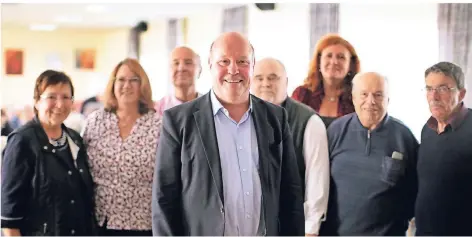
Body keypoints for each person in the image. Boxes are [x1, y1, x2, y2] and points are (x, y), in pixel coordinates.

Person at [152, 32, 304, 236]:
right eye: (224, 61)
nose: (233, 69)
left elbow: (291, 194)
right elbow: (164, 200)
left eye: (242, 61)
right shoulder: (179, 121)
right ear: (210, 65)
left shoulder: (275, 118)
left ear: (252, 66)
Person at [320, 72, 418, 235]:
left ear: (388, 100)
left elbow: (415, 191)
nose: (370, 101)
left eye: (378, 95)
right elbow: (319, 182)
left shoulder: (404, 136)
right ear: (354, 98)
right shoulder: (335, 131)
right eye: (364, 94)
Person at [1, 70, 96, 236]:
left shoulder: (75, 140)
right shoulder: (22, 141)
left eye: (66, 97)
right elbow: (9, 217)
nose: (59, 104)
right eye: (51, 97)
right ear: (37, 102)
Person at [251, 57, 329, 236]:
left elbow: (317, 182)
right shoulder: (239, 118)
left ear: (286, 82)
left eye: (273, 78)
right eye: (259, 78)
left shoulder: (309, 121)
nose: (266, 83)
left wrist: (310, 229)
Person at [82, 58, 161, 236]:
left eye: (134, 80)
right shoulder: (95, 121)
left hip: (143, 224)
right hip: (98, 222)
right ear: (113, 84)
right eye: (121, 80)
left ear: (143, 85)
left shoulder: (158, 125)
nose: (127, 85)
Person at [415, 62, 472, 236]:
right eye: (429, 88)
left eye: (443, 88)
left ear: (461, 94)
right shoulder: (427, 130)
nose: (434, 96)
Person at [291, 33, 361, 128]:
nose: (334, 62)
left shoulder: (358, 98)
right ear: (319, 62)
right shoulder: (302, 94)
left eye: (341, 57)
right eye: (329, 56)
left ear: (350, 66)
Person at [155, 46, 202, 116]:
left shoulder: (212, 105)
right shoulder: (158, 109)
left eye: (188, 62)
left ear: (200, 70)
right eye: (176, 63)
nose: (181, 68)